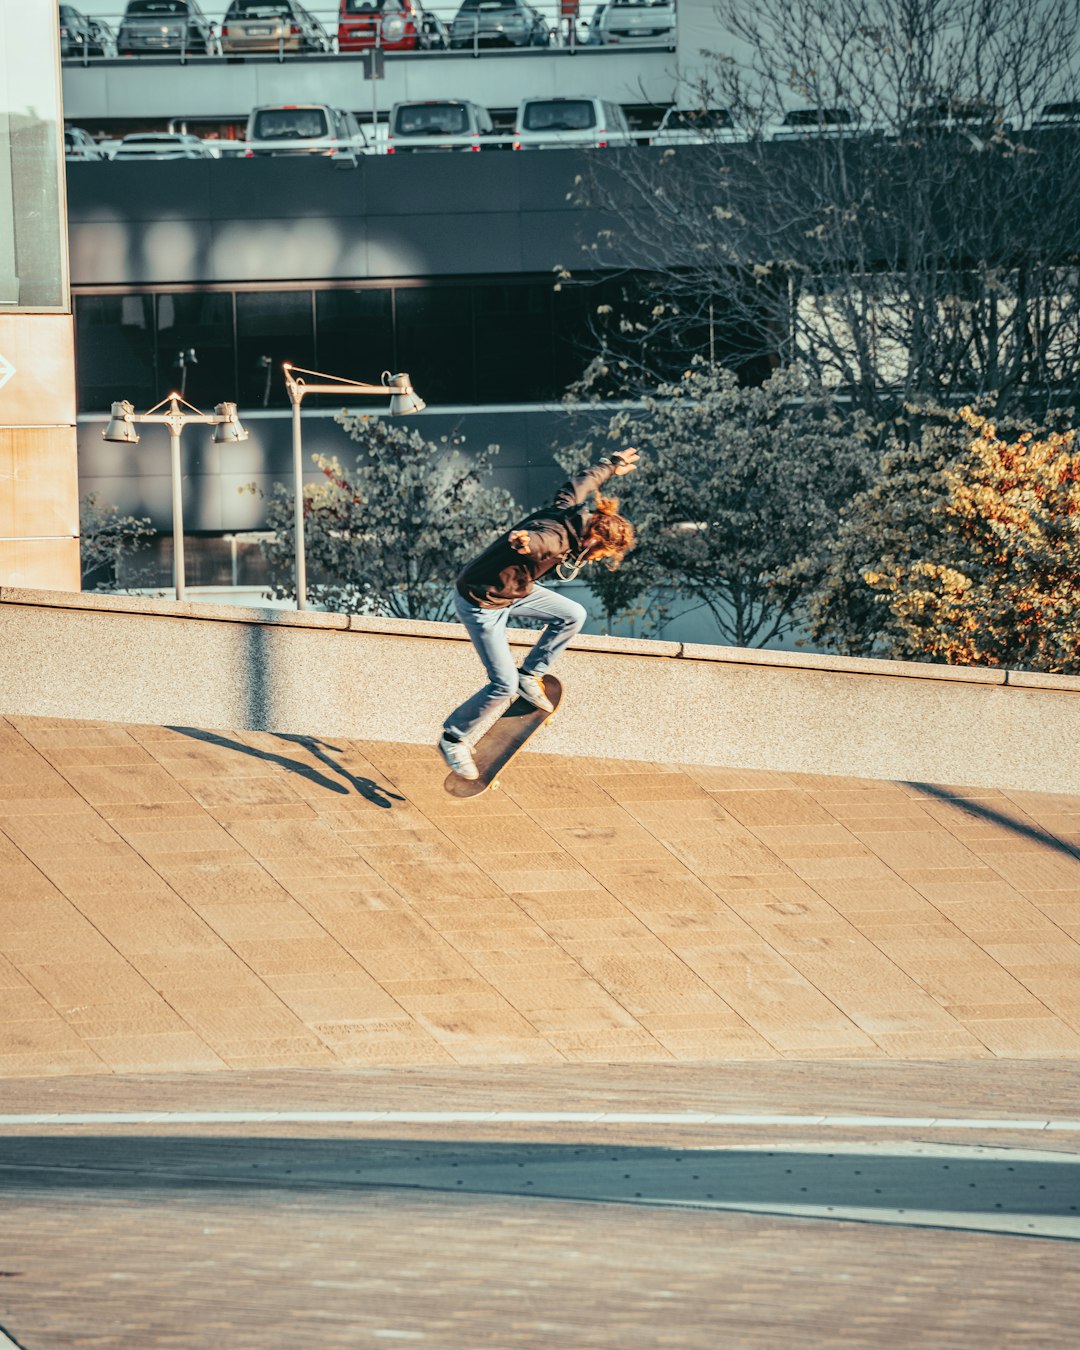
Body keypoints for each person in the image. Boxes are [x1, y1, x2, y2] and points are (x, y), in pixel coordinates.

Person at [438, 447, 640, 780]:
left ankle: (530, 673)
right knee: (501, 685)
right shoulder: (556, 540)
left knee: (572, 614)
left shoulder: (568, 509)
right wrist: (524, 542)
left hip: (516, 590)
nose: (595, 559)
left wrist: (611, 465)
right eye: (600, 554)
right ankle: (453, 738)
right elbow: (539, 542)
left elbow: (582, 481)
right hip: (483, 602)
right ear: (593, 539)